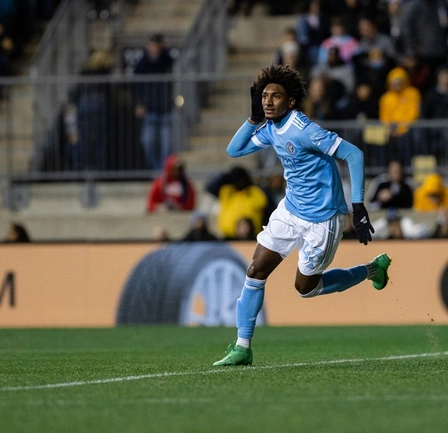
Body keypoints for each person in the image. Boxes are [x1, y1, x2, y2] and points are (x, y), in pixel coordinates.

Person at [213, 65, 392, 366]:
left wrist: (358, 208)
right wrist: (253, 119)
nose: (268, 101)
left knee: (305, 289)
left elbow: (354, 155)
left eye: (276, 96)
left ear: (291, 101)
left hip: (323, 219)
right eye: (264, 96)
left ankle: (372, 270)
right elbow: (234, 150)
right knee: (256, 270)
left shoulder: (305, 130)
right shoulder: (269, 127)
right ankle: (243, 347)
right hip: (291, 210)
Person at [133, 33, 174, 171]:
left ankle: (164, 172)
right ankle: (158, 171)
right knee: (148, 143)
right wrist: (139, 103)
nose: (154, 48)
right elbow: (137, 87)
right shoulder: (142, 64)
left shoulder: (168, 61)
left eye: (157, 45)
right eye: (152, 45)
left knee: (166, 145)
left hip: (166, 109)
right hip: (150, 109)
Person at [206, 166, 269, 239]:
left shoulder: (255, 191)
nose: (240, 182)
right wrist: (225, 176)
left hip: (252, 236)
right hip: (228, 236)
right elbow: (209, 187)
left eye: (242, 179)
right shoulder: (227, 190)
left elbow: (265, 208)